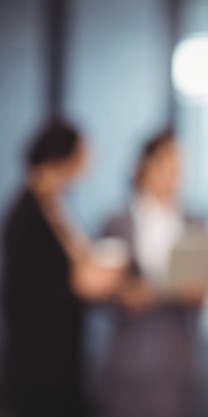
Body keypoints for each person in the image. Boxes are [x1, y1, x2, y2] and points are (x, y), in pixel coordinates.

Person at [1, 117, 124, 417]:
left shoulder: (57, 206)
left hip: (64, 359)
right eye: (83, 157)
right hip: (37, 367)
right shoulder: (25, 214)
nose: (88, 166)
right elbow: (15, 297)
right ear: (60, 158)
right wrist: (76, 287)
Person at [97, 130, 205, 417]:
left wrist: (197, 292)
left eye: (178, 167)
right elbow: (98, 289)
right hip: (130, 354)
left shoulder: (194, 222)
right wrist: (123, 292)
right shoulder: (116, 223)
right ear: (144, 165)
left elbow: (203, 294)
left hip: (177, 356)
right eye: (167, 164)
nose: (174, 174)